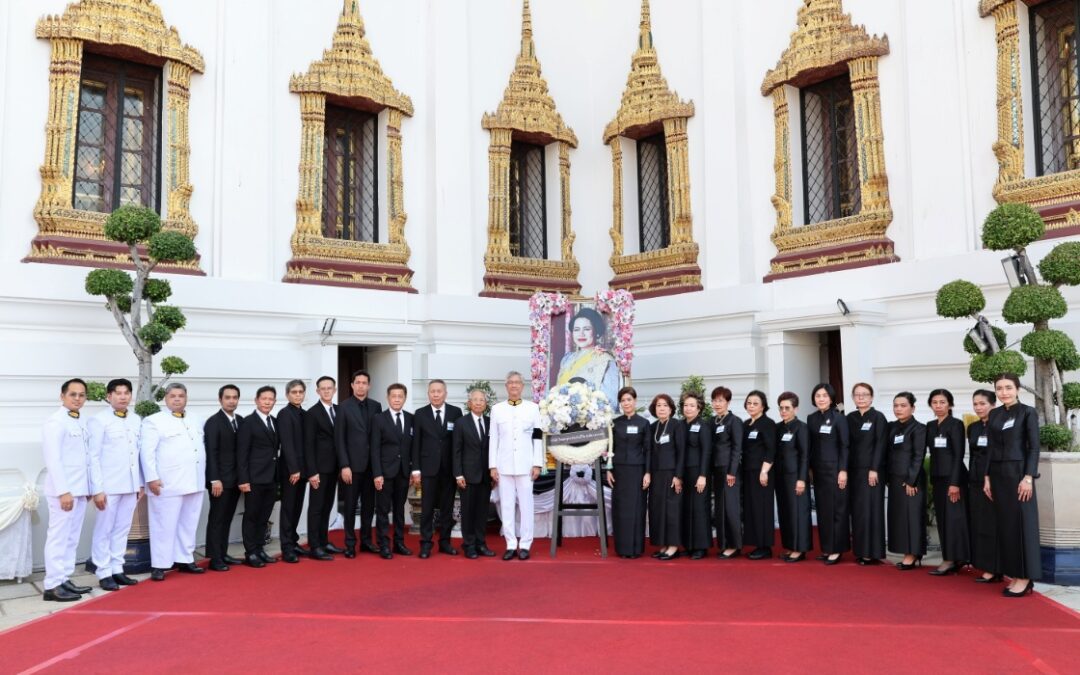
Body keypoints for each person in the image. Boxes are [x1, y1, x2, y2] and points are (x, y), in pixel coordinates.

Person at [982, 373, 1041, 597]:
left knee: (1022, 526)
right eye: (999, 388)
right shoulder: (995, 414)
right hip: (998, 476)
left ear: (1017, 389)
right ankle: (1015, 573)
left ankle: (1025, 577)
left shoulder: (1028, 412)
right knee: (1007, 527)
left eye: (1008, 387)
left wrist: (1028, 477)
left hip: (1019, 476)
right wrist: (987, 476)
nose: (1004, 392)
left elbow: (1034, 447)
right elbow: (990, 447)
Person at [141, 383, 206, 581]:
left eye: (181, 396)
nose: (177, 399)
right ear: (166, 398)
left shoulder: (196, 419)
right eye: (173, 396)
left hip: (194, 480)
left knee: (188, 523)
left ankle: (185, 559)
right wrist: (151, 478)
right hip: (167, 483)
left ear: (186, 398)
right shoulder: (154, 421)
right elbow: (147, 452)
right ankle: (160, 564)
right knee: (163, 525)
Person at [41, 379, 97, 602]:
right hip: (63, 492)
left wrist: (88, 487)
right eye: (73, 394)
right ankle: (52, 585)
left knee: (71, 538)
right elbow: (53, 460)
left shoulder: (81, 421)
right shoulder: (55, 422)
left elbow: (85, 458)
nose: (77, 398)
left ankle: (63, 578)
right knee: (58, 538)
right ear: (62, 396)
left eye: (81, 395)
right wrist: (63, 491)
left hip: (79, 490)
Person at [87, 378, 142, 591]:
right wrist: (97, 489)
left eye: (126, 393)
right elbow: (93, 457)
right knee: (104, 529)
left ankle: (117, 568)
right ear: (109, 396)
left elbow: (137, 454)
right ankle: (103, 571)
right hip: (108, 486)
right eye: (118, 393)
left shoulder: (136, 420)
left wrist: (140, 484)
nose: (123, 397)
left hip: (130, 484)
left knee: (122, 529)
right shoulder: (99, 420)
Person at [489, 371, 544, 561]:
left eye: (517, 382)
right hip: (504, 465)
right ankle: (511, 544)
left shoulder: (532, 408)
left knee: (527, 507)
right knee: (506, 506)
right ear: (506, 386)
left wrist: (537, 463)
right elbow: (493, 439)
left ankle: (526, 544)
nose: (514, 385)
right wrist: (493, 465)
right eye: (510, 382)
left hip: (526, 465)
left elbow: (538, 437)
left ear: (522, 386)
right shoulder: (497, 409)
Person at [411, 379, 464, 558]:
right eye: (432, 391)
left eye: (439, 391)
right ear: (428, 394)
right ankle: (426, 544)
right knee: (427, 508)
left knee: (447, 508)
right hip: (428, 469)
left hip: (449, 469)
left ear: (445, 393)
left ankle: (445, 543)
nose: (435, 394)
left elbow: (458, 443)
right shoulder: (420, 414)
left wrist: (458, 470)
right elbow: (416, 444)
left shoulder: (456, 412)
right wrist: (416, 469)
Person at [335, 370, 382, 557]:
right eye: (358, 382)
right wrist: (344, 465)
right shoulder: (343, 407)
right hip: (351, 467)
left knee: (369, 507)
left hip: (372, 467)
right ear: (352, 385)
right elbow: (339, 439)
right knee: (350, 506)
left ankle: (366, 541)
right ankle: (349, 544)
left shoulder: (376, 406)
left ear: (369, 386)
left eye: (364, 383)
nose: (361, 386)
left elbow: (379, 436)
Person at [926, 388, 970, 576]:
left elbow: (958, 455)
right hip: (938, 478)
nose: (938, 406)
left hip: (954, 479)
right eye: (934, 402)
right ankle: (953, 557)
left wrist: (954, 483)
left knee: (953, 519)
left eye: (942, 402)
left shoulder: (956, 424)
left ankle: (951, 559)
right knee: (943, 519)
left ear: (950, 404)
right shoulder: (930, 425)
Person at [236, 385, 280, 569]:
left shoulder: (274, 421)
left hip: (271, 477)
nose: (267, 402)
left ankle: (260, 548)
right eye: (264, 399)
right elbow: (242, 453)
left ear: (274, 401)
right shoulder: (248, 422)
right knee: (252, 516)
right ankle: (251, 552)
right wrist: (243, 479)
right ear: (256, 400)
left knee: (264, 516)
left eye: (271, 399)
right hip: (253, 478)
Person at [807, 383, 850, 565]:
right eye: (818, 396)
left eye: (824, 395)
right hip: (818, 471)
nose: (821, 399)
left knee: (837, 510)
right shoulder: (811, 418)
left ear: (831, 398)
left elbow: (845, 446)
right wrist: (809, 468)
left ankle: (837, 549)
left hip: (835, 470)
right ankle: (827, 547)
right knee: (823, 511)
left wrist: (843, 470)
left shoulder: (839, 418)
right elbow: (810, 446)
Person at [607, 386, 651, 559]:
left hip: (638, 471)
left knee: (637, 508)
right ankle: (622, 548)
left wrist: (647, 472)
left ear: (635, 401)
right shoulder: (615, 423)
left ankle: (636, 548)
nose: (626, 403)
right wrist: (608, 469)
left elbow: (648, 450)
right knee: (620, 509)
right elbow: (609, 449)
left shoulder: (644, 423)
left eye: (629, 400)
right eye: (623, 400)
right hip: (619, 471)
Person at [371, 383, 414, 559]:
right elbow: (374, 449)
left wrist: (412, 470)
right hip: (384, 473)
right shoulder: (379, 419)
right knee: (382, 511)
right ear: (388, 398)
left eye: (400, 396)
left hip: (403, 472)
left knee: (399, 510)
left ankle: (399, 543)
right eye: (393, 396)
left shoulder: (411, 418)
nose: (397, 399)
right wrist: (377, 473)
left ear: (405, 398)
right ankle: (384, 545)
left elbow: (412, 447)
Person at [846, 383, 888, 565]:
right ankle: (861, 551)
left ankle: (873, 552)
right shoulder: (850, 418)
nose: (861, 397)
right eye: (857, 394)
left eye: (865, 394)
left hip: (872, 472)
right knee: (858, 512)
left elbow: (881, 444)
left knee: (872, 510)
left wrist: (874, 468)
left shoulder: (878, 417)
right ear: (853, 398)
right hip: (854, 472)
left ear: (871, 397)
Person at [204, 384, 243, 571]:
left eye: (235, 397)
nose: (231, 401)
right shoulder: (213, 422)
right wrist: (214, 479)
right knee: (217, 519)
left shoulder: (240, 421)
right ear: (220, 399)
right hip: (219, 481)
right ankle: (214, 558)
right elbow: (211, 453)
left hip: (235, 480)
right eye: (227, 397)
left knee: (227, 518)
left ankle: (223, 553)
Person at [887, 392, 927, 571]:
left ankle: (913, 554)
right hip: (895, 479)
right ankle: (906, 551)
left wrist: (912, 480)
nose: (898, 409)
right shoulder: (892, 427)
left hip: (912, 481)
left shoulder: (919, 428)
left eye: (903, 405)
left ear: (913, 408)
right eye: (896, 405)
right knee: (900, 518)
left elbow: (918, 456)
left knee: (912, 517)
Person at [453, 389, 495, 559]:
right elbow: (456, 450)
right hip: (467, 476)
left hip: (486, 476)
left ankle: (481, 543)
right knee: (468, 512)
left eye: (481, 400)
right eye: (475, 400)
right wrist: (458, 474)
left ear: (486, 404)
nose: (478, 403)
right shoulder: (461, 423)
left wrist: (494, 472)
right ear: (469, 403)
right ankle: (469, 545)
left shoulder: (491, 422)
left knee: (482, 513)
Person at [305, 376, 341, 560]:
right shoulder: (312, 413)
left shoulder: (339, 410)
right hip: (318, 469)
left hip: (335, 467)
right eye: (323, 388)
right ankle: (315, 546)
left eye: (329, 388)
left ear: (334, 390)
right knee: (316, 507)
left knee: (327, 506)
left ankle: (324, 541)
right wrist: (312, 472)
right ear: (318, 391)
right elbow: (308, 445)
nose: (326, 391)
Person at [556, 308, 620, 408]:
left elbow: (611, 401)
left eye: (586, 329)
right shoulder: (567, 359)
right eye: (576, 329)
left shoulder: (605, 359)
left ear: (596, 331)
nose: (581, 334)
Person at [648, 393, 685, 560]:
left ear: (671, 409)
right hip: (656, 474)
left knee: (671, 510)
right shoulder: (653, 426)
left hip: (671, 473)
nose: (661, 408)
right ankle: (663, 544)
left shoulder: (677, 425)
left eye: (665, 405)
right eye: (658, 405)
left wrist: (678, 476)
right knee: (658, 510)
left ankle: (673, 546)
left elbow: (681, 452)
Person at [775, 392, 811, 563]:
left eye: (787, 408)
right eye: (781, 408)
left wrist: (802, 479)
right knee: (785, 512)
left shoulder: (801, 427)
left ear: (795, 409)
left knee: (798, 512)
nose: (783, 411)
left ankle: (800, 549)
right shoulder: (778, 427)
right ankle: (790, 546)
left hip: (796, 476)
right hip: (780, 477)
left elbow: (805, 455)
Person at [968, 389, 999, 583]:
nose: (978, 407)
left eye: (982, 404)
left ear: (993, 405)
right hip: (975, 480)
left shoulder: (999, 425)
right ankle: (983, 564)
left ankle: (994, 568)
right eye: (975, 404)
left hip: (993, 480)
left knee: (991, 524)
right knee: (978, 523)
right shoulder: (973, 427)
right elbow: (972, 455)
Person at [741, 390, 777, 560]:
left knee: (762, 508)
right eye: (749, 403)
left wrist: (764, 471)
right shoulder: (746, 424)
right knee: (752, 508)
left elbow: (771, 450)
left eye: (755, 403)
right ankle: (757, 544)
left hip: (762, 472)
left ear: (763, 406)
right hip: (748, 471)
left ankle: (765, 547)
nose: (751, 406)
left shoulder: (768, 424)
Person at [276, 379, 309, 563]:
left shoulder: (304, 414)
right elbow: (287, 444)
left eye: (300, 392)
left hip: (303, 470)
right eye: (294, 392)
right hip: (291, 471)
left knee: (297, 507)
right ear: (287, 395)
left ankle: (294, 541)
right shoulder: (284, 414)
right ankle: (287, 547)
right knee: (288, 509)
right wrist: (294, 469)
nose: (297, 395)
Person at [711, 386, 744, 559]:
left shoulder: (734, 421)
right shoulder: (714, 421)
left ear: (728, 402)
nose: (717, 404)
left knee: (731, 508)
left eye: (721, 400)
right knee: (720, 509)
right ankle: (724, 544)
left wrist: (732, 471)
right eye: (715, 400)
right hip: (717, 470)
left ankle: (734, 545)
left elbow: (737, 448)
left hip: (730, 471)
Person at [680, 393, 712, 559]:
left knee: (699, 508)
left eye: (692, 405)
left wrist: (703, 475)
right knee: (687, 508)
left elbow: (707, 452)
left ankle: (701, 547)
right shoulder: (680, 425)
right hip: (684, 473)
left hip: (698, 473)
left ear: (699, 408)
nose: (688, 408)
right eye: (686, 405)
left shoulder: (703, 426)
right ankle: (689, 545)